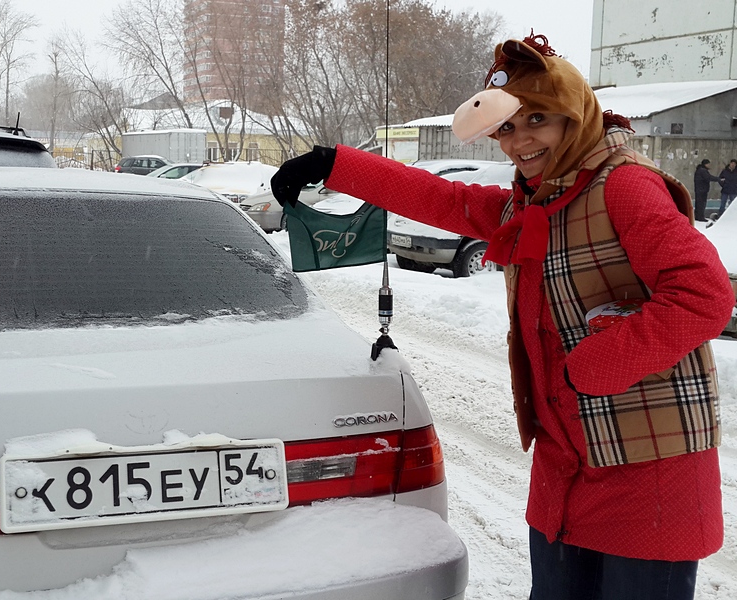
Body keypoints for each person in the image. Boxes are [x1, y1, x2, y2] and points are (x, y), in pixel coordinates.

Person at [272, 33, 735, 600]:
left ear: (574, 115)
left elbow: (703, 294)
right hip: (565, 464)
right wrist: (334, 164)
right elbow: (445, 200)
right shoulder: (535, 200)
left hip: (647, 467)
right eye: (508, 127)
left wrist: (593, 366)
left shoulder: (624, 186)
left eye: (538, 119)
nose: (520, 140)